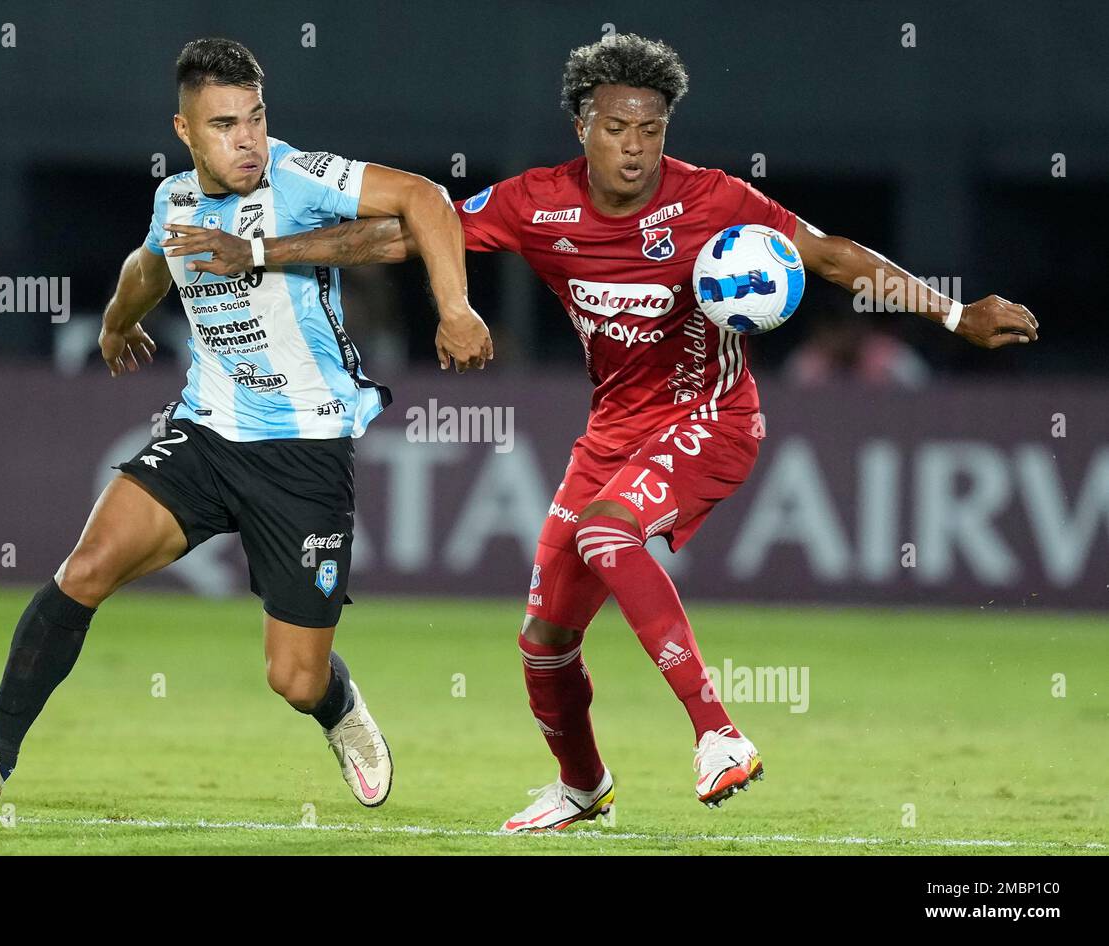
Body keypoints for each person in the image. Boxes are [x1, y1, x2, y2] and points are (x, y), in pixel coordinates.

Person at [143, 33, 1038, 832]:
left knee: (609, 532)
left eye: (651, 129)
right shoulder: (539, 204)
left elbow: (835, 255)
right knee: (543, 642)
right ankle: (583, 787)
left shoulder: (715, 201)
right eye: (617, 127)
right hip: (613, 434)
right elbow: (403, 235)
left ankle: (718, 733)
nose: (636, 147)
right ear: (583, 126)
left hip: (711, 420)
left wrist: (956, 315)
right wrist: (262, 251)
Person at [0, 37, 493, 815]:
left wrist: (454, 307)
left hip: (305, 450)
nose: (247, 139)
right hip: (209, 430)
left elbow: (424, 198)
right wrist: (118, 324)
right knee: (85, 569)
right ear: (185, 133)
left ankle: (340, 708)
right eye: (225, 124)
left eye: (255, 118)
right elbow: (149, 265)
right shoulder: (175, 199)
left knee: (293, 678)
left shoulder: (295, 176)